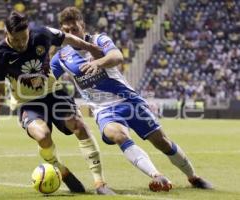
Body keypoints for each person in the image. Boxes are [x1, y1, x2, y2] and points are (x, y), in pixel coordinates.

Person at [50, 7, 213, 192]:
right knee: (118, 135)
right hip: (104, 110)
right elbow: (47, 79)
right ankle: (156, 176)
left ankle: (193, 176)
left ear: (83, 26)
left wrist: (98, 62)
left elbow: (117, 56)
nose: (71, 34)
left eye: (75, 29)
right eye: (66, 30)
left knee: (162, 142)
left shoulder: (99, 40)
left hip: (129, 101)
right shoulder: (61, 57)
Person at [0, 11, 115, 195]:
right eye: (16, 40)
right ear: (6, 33)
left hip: (54, 93)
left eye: (24, 38)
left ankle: (99, 182)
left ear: (29, 30)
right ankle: (60, 169)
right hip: (27, 102)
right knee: (43, 135)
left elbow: (68, 38)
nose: (21, 43)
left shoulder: (42, 33)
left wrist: (90, 47)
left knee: (78, 126)